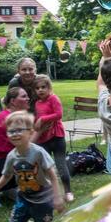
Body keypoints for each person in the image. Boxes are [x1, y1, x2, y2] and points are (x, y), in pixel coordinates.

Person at [0, 111, 64, 222]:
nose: (15, 134)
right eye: (11, 131)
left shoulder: (38, 153)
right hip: (23, 195)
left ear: (30, 132)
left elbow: (52, 175)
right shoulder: (11, 156)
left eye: (19, 130)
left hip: (43, 196)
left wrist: (57, 197)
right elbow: (6, 176)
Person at [31, 75, 73, 203]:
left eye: (43, 87)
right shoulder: (37, 103)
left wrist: (42, 119)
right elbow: (38, 119)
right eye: (37, 88)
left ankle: (68, 191)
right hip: (43, 138)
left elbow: (58, 114)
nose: (40, 90)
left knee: (61, 164)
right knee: (45, 167)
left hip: (57, 136)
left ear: (49, 87)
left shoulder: (53, 99)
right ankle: (50, 192)